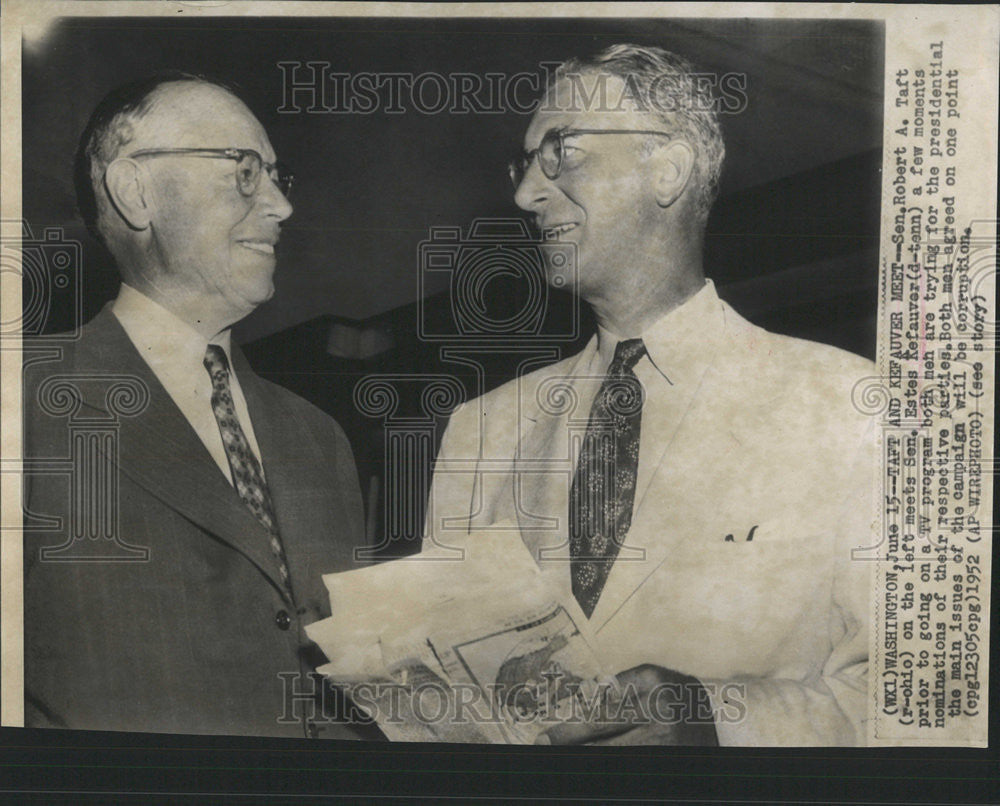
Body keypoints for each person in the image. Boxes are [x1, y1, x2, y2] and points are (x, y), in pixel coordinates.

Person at [425, 45, 877, 746]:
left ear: (666, 169)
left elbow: (916, 705)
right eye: (525, 164)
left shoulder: (852, 406)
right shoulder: (478, 430)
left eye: (563, 151)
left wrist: (708, 719)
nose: (524, 196)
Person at [22, 74, 369, 738]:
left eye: (276, 176)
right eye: (243, 171)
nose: (280, 207)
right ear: (135, 190)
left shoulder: (319, 437)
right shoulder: (22, 398)